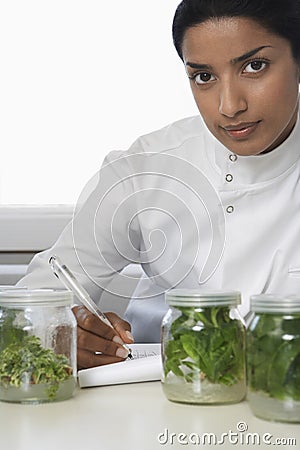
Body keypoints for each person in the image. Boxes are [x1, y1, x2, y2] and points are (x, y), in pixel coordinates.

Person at [17, 0, 300, 369]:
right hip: (160, 395)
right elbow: (35, 299)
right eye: (203, 77)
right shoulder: (146, 169)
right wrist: (57, 329)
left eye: (254, 66)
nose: (229, 106)